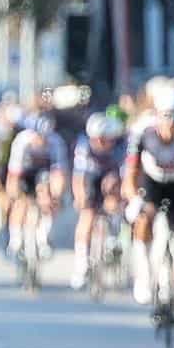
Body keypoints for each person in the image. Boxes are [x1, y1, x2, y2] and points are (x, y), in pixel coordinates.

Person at [122, 83, 174, 346]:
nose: (171, 124)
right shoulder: (142, 133)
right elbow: (131, 173)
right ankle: (144, 276)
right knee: (144, 217)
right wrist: (134, 198)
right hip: (153, 182)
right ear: (157, 115)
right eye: (166, 116)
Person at [71, 113, 127, 291]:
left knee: (114, 199)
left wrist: (120, 196)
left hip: (114, 177)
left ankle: (113, 237)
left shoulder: (122, 147)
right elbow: (78, 177)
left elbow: (128, 177)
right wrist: (80, 198)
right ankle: (81, 264)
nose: (101, 144)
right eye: (97, 140)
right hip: (91, 178)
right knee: (86, 214)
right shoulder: (84, 146)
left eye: (105, 140)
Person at [5, 114, 68, 261]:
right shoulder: (21, 141)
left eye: (45, 137)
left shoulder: (56, 142)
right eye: (39, 137)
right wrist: (13, 194)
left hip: (45, 173)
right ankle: (15, 240)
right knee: (20, 202)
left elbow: (59, 174)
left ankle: (43, 238)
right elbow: (13, 174)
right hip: (24, 171)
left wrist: (56, 197)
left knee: (49, 197)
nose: (41, 141)